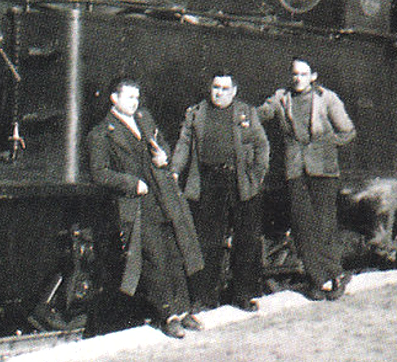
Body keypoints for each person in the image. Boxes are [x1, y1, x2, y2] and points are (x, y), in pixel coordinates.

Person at [88, 77, 204, 338]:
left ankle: (184, 311)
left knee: (175, 253)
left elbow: (160, 142)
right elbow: (99, 173)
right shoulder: (101, 133)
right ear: (114, 99)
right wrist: (131, 183)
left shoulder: (144, 118)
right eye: (129, 97)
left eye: (137, 97)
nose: (135, 102)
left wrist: (163, 154)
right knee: (154, 260)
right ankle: (168, 315)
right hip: (138, 204)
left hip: (163, 196)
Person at [257, 57, 356, 301]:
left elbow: (348, 131)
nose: (297, 78)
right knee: (302, 226)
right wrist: (244, 116)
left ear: (313, 76)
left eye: (303, 74)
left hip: (323, 171)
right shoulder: (281, 98)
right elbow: (264, 112)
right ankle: (317, 279)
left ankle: (335, 275)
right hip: (296, 170)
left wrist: (327, 144)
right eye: (294, 74)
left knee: (323, 225)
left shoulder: (327, 98)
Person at [171, 71, 269, 313]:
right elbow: (184, 144)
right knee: (207, 241)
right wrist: (174, 170)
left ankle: (244, 295)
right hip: (208, 180)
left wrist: (255, 177)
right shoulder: (196, 113)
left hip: (239, 181)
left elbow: (261, 145)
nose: (219, 93)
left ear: (234, 91)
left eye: (225, 88)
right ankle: (205, 298)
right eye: (216, 87)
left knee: (246, 240)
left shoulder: (246, 112)